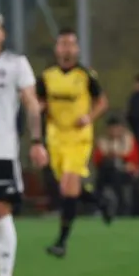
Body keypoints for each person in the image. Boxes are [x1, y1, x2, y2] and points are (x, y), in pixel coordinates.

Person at [0, 12, 47, 276]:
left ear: (3, 34)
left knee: (0, 209)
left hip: (0, 150)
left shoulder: (16, 64)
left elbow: (32, 104)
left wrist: (36, 140)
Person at [37, 28, 109, 258]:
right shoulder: (47, 76)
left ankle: (61, 242)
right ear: (57, 49)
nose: (67, 48)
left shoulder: (86, 75)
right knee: (68, 189)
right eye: (63, 44)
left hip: (79, 137)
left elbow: (102, 102)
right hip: (56, 137)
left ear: (77, 49)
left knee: (68, 185)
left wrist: (89, 117)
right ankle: (100, 201)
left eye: (71, 44)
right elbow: (39, 103)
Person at [92, 115, 139, 216]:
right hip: (107, 173)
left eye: (117, 128)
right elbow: (97, 160)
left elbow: (135, 160)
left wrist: (121, 158)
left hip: (126, 172)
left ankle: (122, 207)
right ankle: (99, 206)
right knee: (104, 175)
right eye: (112, 128)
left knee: (118, 178)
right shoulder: (103, 141)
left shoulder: (129, 140)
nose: (114, 131)